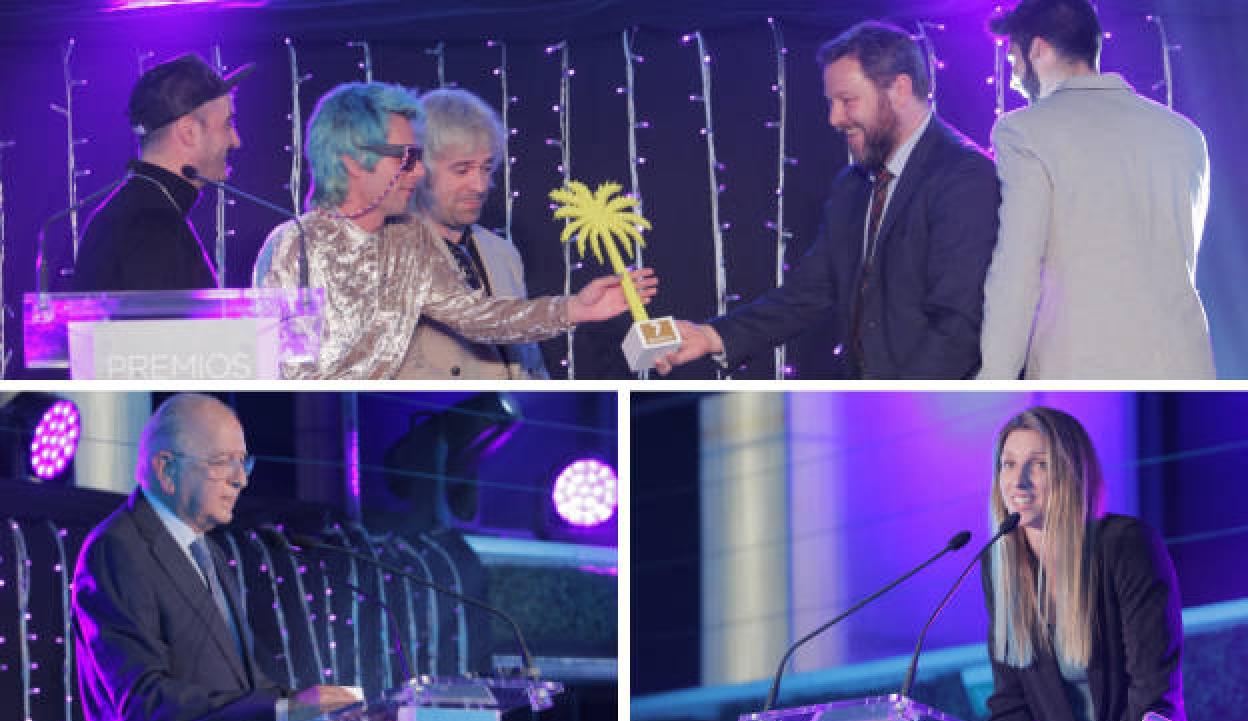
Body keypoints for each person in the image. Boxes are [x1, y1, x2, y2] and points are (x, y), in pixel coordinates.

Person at [656, 21, 999, 379]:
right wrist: (710, 336)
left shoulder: (964, 176)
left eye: (847, 101)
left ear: (899, 89)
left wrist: (897, 402)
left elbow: (958, 324)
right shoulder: (853, 186)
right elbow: (808, 291)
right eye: (831, 103)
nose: (834, 118)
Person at [253, 81, 655, 379]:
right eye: (407, 158)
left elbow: (477, 315)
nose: (419, 170)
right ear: (355, 163)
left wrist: (575, 309)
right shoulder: (294, 244)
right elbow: (280, 371)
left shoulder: (407, 238)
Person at [72, 394, 361, 721]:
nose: (240, 480)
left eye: (244, 462)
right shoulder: (118, 547)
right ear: (166, 469)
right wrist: (281, 711)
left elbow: (240, 686)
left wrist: (322, 716)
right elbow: (144, 696)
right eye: (223, 462)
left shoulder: (207, 551)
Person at [977, 0, 1215, 379]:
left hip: (1082, 368)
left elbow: (1016, 271)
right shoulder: (1184, 134)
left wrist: (993, 378)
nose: (1015, 77)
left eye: (1013, 61)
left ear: (1037, 49)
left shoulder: (1025, 131)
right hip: (1184, 368)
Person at [983, 406, 1193, 721]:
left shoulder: (1127, 546)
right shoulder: (999, 566)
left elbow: (1152, 689)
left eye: (1039, 464)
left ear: (1070, 473)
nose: (1019, 482)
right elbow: (1011, 702)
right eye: (1008, 464)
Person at [405, 87, 549, 379]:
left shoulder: (502, 251)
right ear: (420, 169)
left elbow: (530, 361)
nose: (480, 185)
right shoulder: (393, 253)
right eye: (462, 170)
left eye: (486, 168)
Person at [72, 53, 248, 291]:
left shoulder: (136, 210)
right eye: (228, 124)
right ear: (189, 132)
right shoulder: (152, 225)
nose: (236, 141)